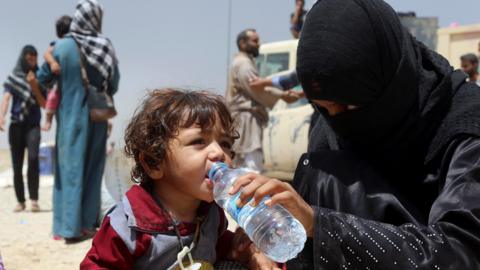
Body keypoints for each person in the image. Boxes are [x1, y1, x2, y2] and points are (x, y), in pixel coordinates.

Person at [230, 0, 480, 269]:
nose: (337, 119)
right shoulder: (330, 124)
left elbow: (461, 251)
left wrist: (321, 226)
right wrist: (272, 242)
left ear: (387, 81)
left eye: (349, 105)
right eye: (324, 108)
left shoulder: (465, 124)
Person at [81, 89, 278, 269]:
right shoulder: (127, 226)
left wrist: (245, 249)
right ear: (154, 163)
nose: (219, 153)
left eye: (225, 143)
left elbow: (214, 243)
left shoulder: (211, 214)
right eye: (198, 141)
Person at [34, 0, 120, 242]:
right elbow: (114, 84)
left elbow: (42, 77)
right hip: (97, 118)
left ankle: (64, 229)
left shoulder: (62, 47)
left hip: (71, 118)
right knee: (93, 171)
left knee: (68, 170)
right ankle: (85, 225)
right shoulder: (105, 46)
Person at [226, 29, 298, 173]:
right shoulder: (243, 64)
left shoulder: (243, 62)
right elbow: (256, 88)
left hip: (246, 120)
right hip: (246, 120)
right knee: (252, 166)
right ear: (242, 43)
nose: (258, 44)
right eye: (254, 41)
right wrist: (282, 95)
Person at [0, 45, 42, 213]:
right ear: (23, 58)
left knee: (33, 159)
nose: (32, 61)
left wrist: (34, 85)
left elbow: (43, 102)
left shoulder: (40, 76)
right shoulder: (13, 77)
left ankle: (34, 200)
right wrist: (2, 115)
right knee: (17, 165)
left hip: (33, 125)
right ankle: (20, 201)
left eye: (34, 58)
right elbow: (6, 97)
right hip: (16, 125)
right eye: (29, 58)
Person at [42, 15, 72, 131]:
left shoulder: (76, 45)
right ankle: (48, 121)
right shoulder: (56, 44)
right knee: (53, 97)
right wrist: (53, 63)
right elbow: (46, 54)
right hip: (57, 81)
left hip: (70, 83)